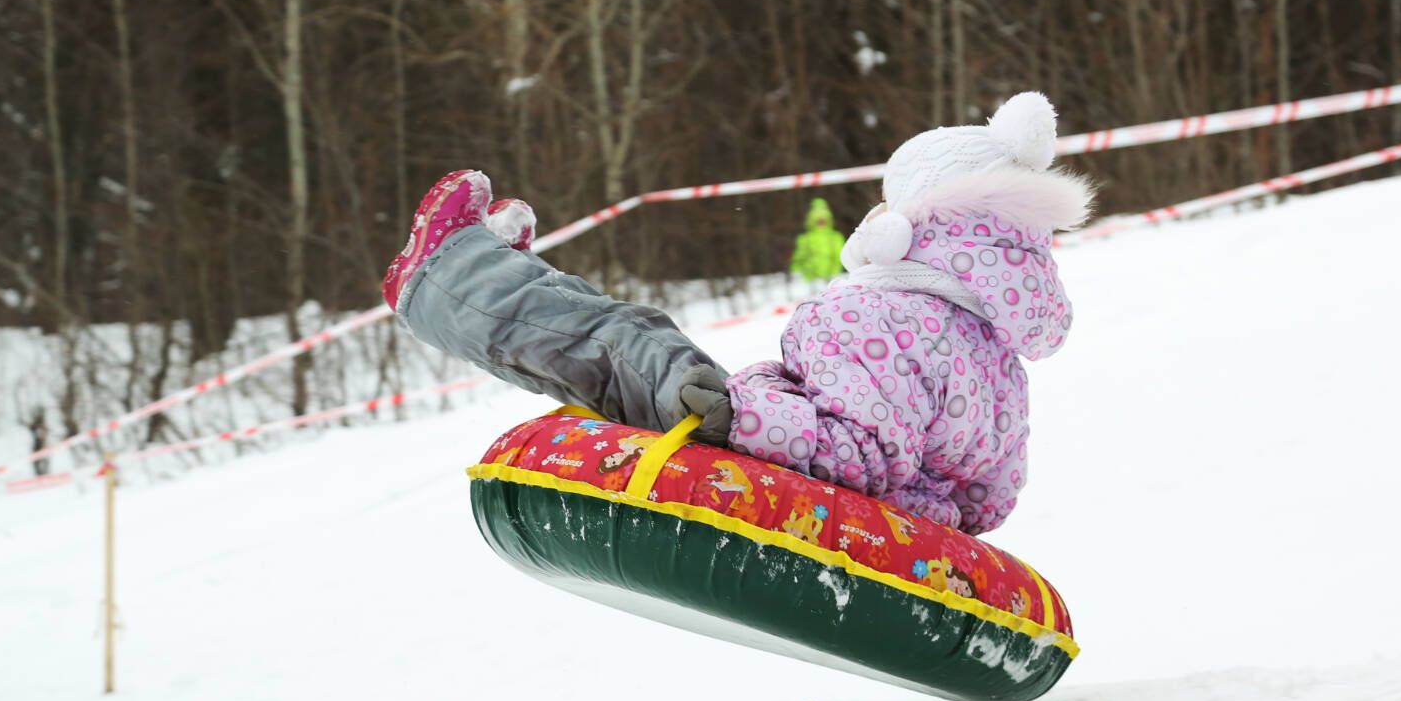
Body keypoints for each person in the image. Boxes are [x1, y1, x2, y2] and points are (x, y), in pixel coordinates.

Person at [384, 92, 1092, 536]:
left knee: (635, 344)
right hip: (848, 493)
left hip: (785, 466)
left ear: (916, 219)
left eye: (889, 200)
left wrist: (747, 416)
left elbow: (867, 456)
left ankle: (452, 272)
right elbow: (984, 500)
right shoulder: (997, 353)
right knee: (630, 363)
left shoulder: (885, 317)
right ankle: (506, 273)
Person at [789, 198, 846, 283]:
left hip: (832, 279)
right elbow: (798, 260)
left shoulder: (836, 238)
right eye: (818, 221)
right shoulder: (805, 239)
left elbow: (840, 258)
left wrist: (834, 274)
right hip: (809, 281)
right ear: (811, 221)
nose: (821, 223)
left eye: (823, 221)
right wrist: (797, 276)